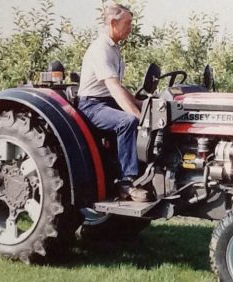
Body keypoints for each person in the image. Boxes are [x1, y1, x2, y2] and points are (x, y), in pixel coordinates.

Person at [77, 4, 149, 202]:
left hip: (106, 102)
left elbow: (119, 87)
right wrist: (136, 113)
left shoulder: (114, 48)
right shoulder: (101, 49)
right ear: (113, 23)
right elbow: (114, 87)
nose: (131, 27)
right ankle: (126, 183)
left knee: (151, 114)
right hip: (92, 106)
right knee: (127, 121)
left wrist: (143, 104)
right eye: (128, 23)